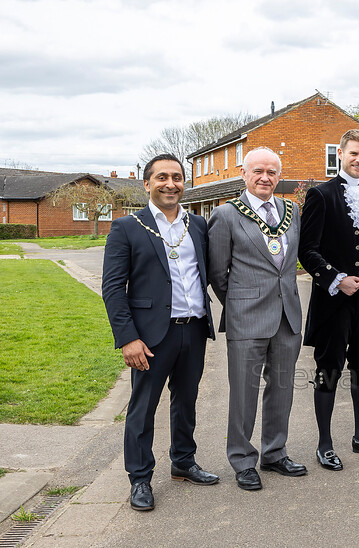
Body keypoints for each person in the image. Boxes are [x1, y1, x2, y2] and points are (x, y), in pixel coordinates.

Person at [102, 153, 218, 512]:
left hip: (193, 328)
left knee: (186, 400)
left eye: (178, 177)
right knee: (143, 407)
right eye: (163, 177)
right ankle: (139, 478)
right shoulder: (127, 227)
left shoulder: (198, 225)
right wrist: (127, 337)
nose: (171, 184)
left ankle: (183, 461)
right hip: (151, 335)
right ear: (147, 183)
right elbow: (112, 287)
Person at [208, 147, 306, 491]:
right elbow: (218, 273)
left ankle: (275, 453)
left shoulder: (292, 211)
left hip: (287, 317)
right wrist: (239, 303)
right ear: (245, 175)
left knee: (281, 390)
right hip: (246, 318)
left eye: (272, 172)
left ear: (279, 176)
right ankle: (242, 459)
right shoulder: (226, 215)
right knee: (244, 393)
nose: (265, 178)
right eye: (258, 171)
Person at [298, 129, 359, 471]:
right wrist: (336, 278)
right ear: (340, 154)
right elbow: (306, 250)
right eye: (353, 153)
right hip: (334, 298)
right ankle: (324, 443)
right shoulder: (320, 195)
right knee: (329, 368)